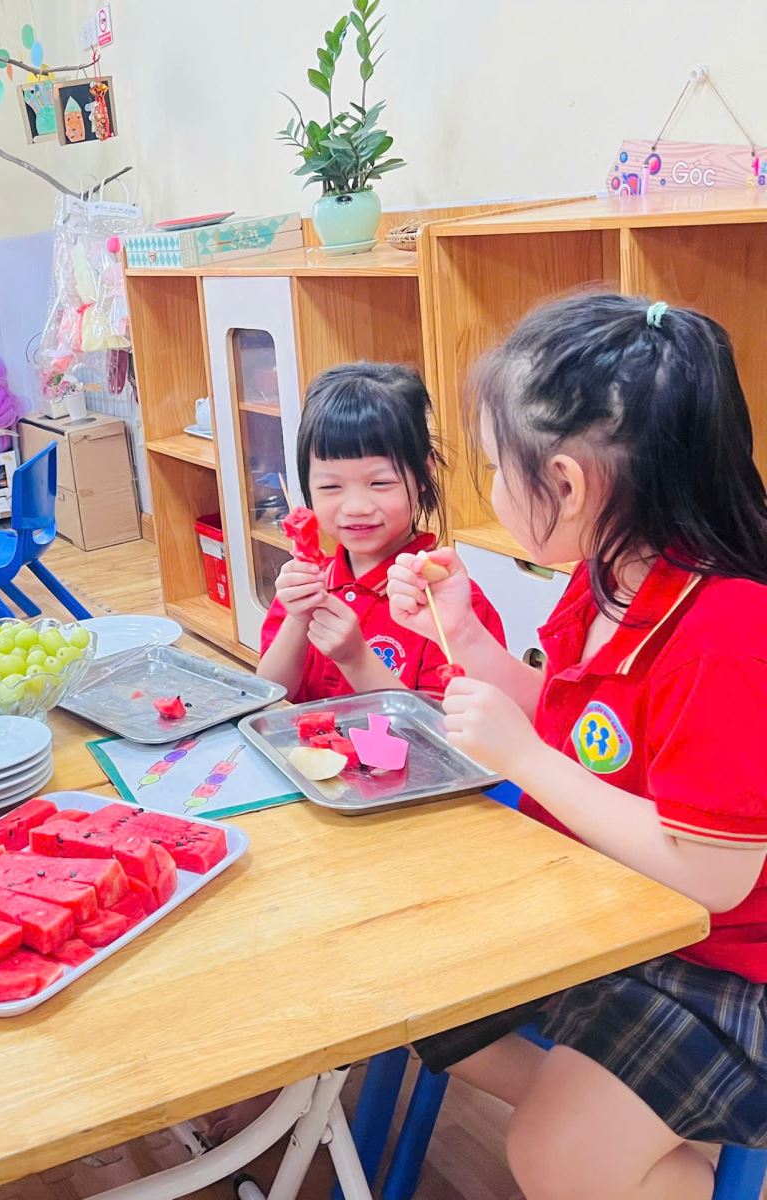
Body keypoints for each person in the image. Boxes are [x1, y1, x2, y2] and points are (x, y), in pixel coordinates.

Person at [386, 294, 767, 1200]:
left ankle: (635, 1137)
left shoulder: (729, 630)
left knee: (553, 1154)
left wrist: (525, 759)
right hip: (615, 911)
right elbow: (580, 731)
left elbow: (716, 875)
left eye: (495, 468)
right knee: (410, 994)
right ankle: (629, 1126)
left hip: (727, 966)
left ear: (567, 482)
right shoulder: (608, 575)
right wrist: (466, 640)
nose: (489, 488)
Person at [257, 362, 504, 701]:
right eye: (330, 486)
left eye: (380, 483)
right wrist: (298, 620)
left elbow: (446, 727)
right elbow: (270, 692)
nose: (356, 506)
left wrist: (356, 660)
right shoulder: (307, 582)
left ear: (424, 473)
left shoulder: (450, 604)